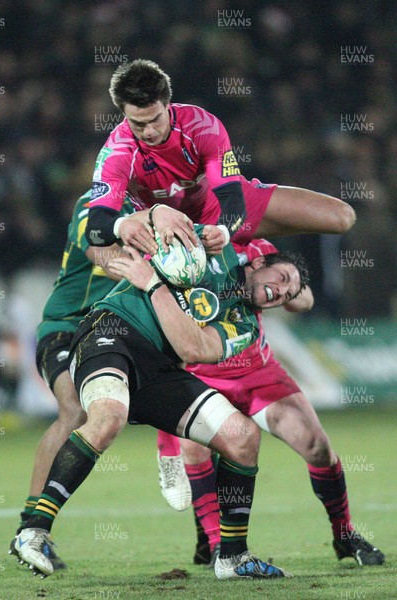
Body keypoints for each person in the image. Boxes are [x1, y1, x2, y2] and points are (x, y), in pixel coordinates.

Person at [13, 225, 309, 581]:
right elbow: (159, 221)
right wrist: (163, 215)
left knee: (243, 435)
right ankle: (33, 530)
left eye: (287, 294)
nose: (279, 291)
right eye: (282, 277)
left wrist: (152, 284)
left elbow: (192, 349)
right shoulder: (213, 247)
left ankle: (232, 557)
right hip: (110, 334)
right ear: (260, 260)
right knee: (108, 417)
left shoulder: (243, 326)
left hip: (160, 368)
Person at [157, 238, 385, 568]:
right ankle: (217, 543)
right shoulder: (186, 245)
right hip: (199, 375)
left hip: (257, 371)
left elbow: (303, 301)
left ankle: (345, 535)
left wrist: (288, 287)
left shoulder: (255, 250)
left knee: (316, 445)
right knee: (196, 448)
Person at [84, 59, 356, 257]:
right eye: (138, 124)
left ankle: (243, 243)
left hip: (221, 211)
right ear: (123, 113)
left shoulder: (202, 127)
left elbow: (232, 198)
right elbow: (95, 229)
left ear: (168, 104)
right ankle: (240, 253)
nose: (149, 131)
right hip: (168, 233)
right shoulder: (117, 152)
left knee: (340, 217)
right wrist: (122, 226)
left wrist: (224, 232)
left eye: (155, 119)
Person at [9, 190, 147, 568]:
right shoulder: (96, 203)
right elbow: (95, 250)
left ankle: (210, 533)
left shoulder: (159, 207)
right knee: (74, 412)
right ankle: (29, 528)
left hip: (111, 331)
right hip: (65, 327)